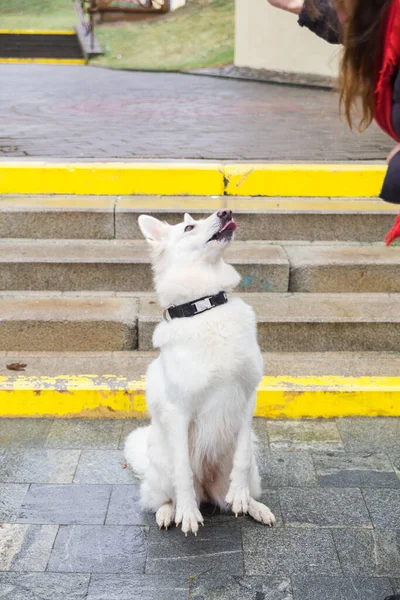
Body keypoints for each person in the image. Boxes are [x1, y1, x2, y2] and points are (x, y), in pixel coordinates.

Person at [266, 0, 400, 243]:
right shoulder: (386, 25)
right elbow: (362, 29)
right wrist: (300, 6)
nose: (341, 18)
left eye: (340, 4)